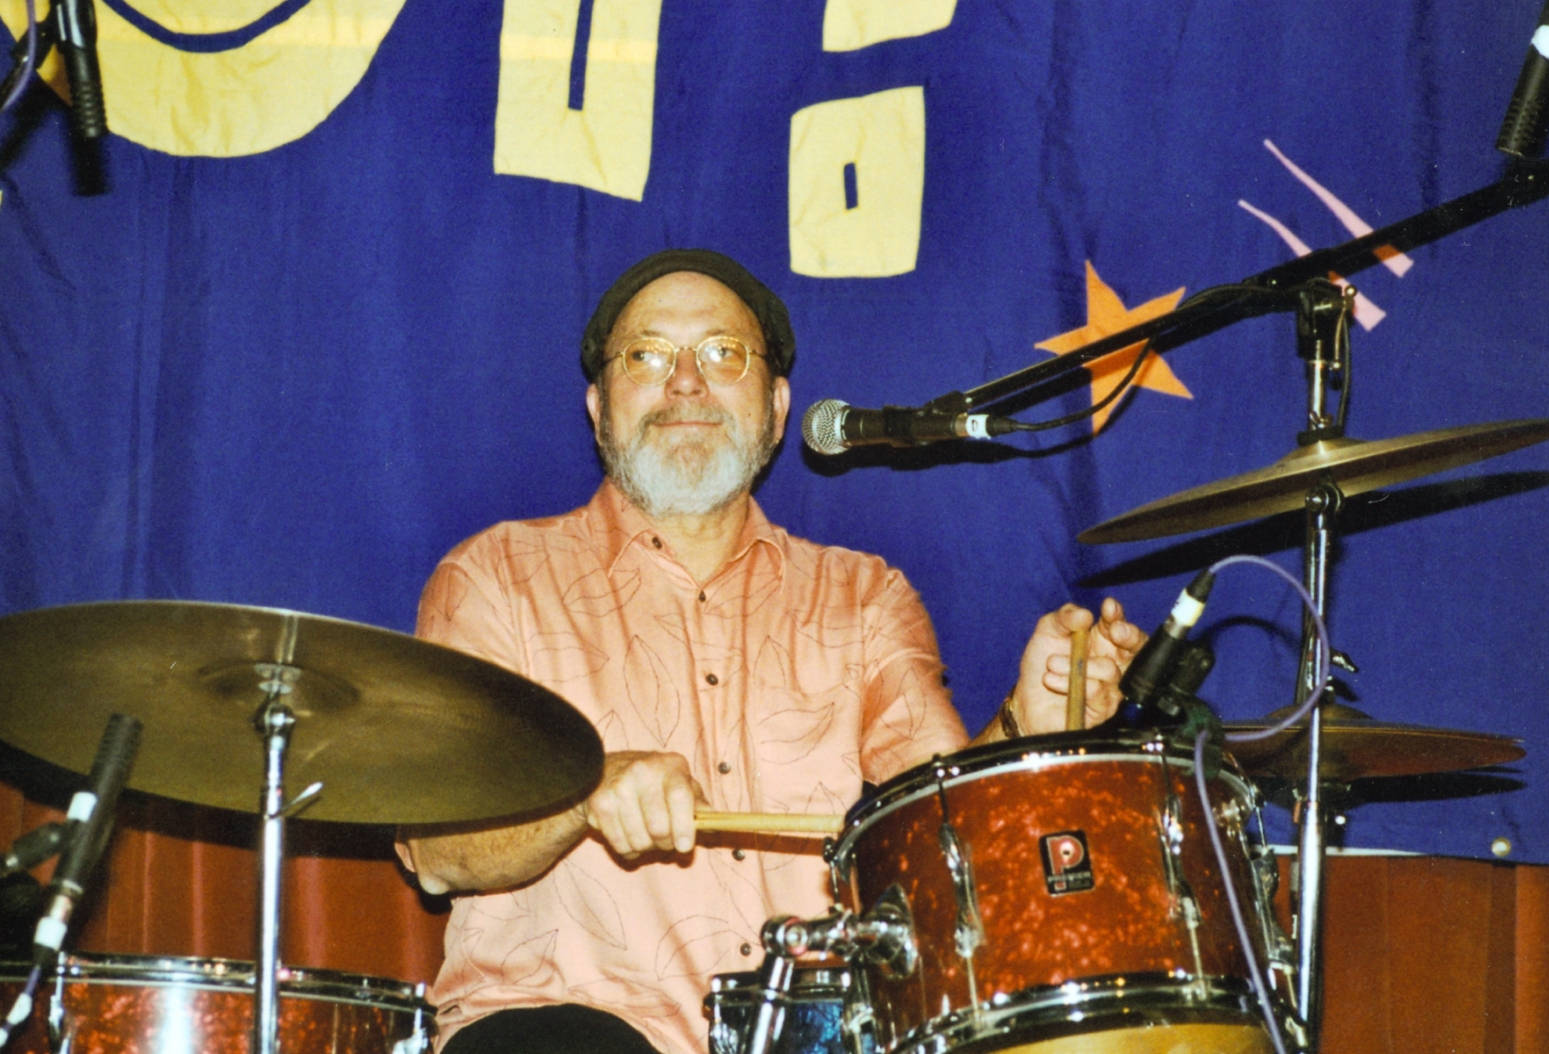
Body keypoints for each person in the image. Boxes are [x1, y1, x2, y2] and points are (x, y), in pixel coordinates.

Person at [395, 249, 1145, 1054]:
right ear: (598, 408)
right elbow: (441, 852)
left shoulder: (864, 595)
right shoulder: (496, 579)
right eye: (646, 356)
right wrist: (587, 793)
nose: (686, 381)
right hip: (559, 1025)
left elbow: (936, 835)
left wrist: (1022, 726)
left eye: (724, 354)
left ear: (777, 407)